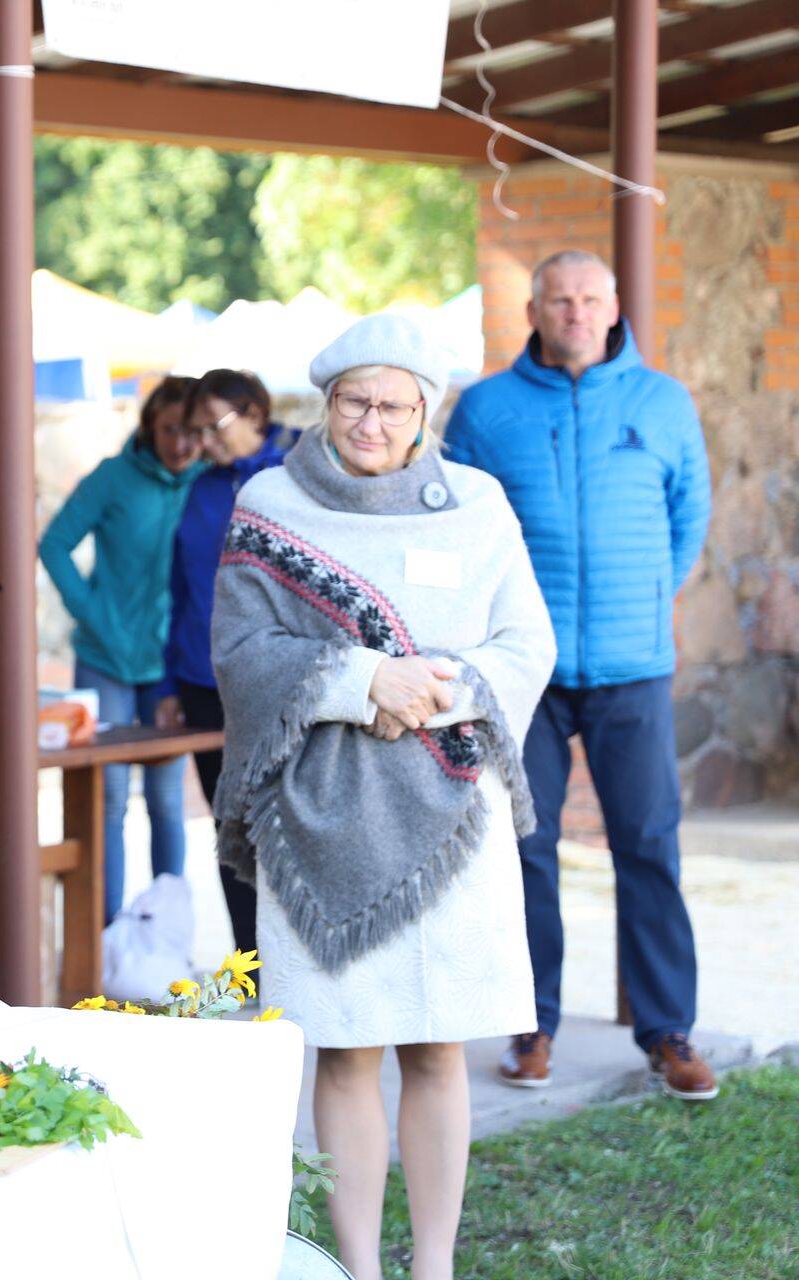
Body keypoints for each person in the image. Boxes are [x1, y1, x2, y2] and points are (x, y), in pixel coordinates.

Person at [212, 315, 556, 1280]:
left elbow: (527, 646)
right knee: (349, 1053)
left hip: (454, 811)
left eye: (394, 405)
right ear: (325, 403)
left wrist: (434, 689)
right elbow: (242, 654)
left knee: (441, 1050)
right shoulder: (269, 503)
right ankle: (363, 1268)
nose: (372, 421)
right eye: (355, 400)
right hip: (316, 820)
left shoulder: (477, 503)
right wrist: (361, 681)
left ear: (426, 412)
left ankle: (433, 1265)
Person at [444, 249, 716, 1101]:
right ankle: (532, 1026)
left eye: (589, 299)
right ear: (533, 308)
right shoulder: (486, 409)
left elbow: (689, 520)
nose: (575, 312)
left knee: (648, 844)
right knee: (526, 847)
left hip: (634, 668)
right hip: (525, 670)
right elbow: (460, 527)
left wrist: (641, 598)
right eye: (559, 299)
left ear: (613, 306)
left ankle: (668, 1030)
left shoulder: (663, 403)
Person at [40, 375, 205, 923]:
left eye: (193, 432)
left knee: (166, 799)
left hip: (169, 664)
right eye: (170, 430)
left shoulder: (207, 482)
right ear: (149, 427)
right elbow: (55, 543)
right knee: (107, 801)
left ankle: (166, 933)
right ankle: (103, 937)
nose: (182, 445)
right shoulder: (113, 478)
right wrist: (92, 612)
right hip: (105, 659)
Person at [155, 369, 298, 956]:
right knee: (229, 830)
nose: (202, 445)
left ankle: (298, 964)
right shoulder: (201, 488)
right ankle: (252, 970)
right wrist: (168, 681)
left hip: (276, 682)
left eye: (212, 428)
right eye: (195, 431)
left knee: (286, 829)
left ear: (255, 413)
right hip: (201, 682)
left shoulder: (298, 475)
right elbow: (179, 589)